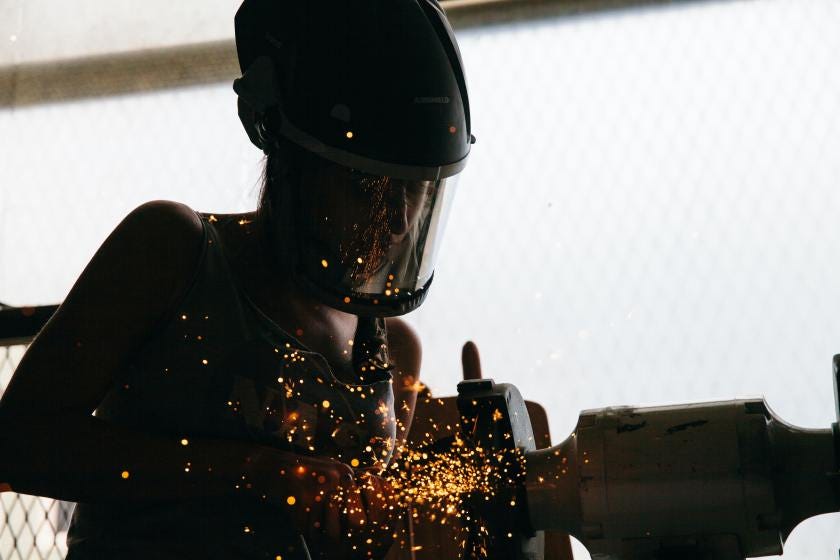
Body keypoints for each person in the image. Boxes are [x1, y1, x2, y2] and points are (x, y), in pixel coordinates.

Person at [0, 0, 474, 558]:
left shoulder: (392, 351)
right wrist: (254, 470)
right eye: (369, 190)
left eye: (416, 193)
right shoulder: (172, 250)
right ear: (293, 156)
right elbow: (18, 442)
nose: (397, 223)